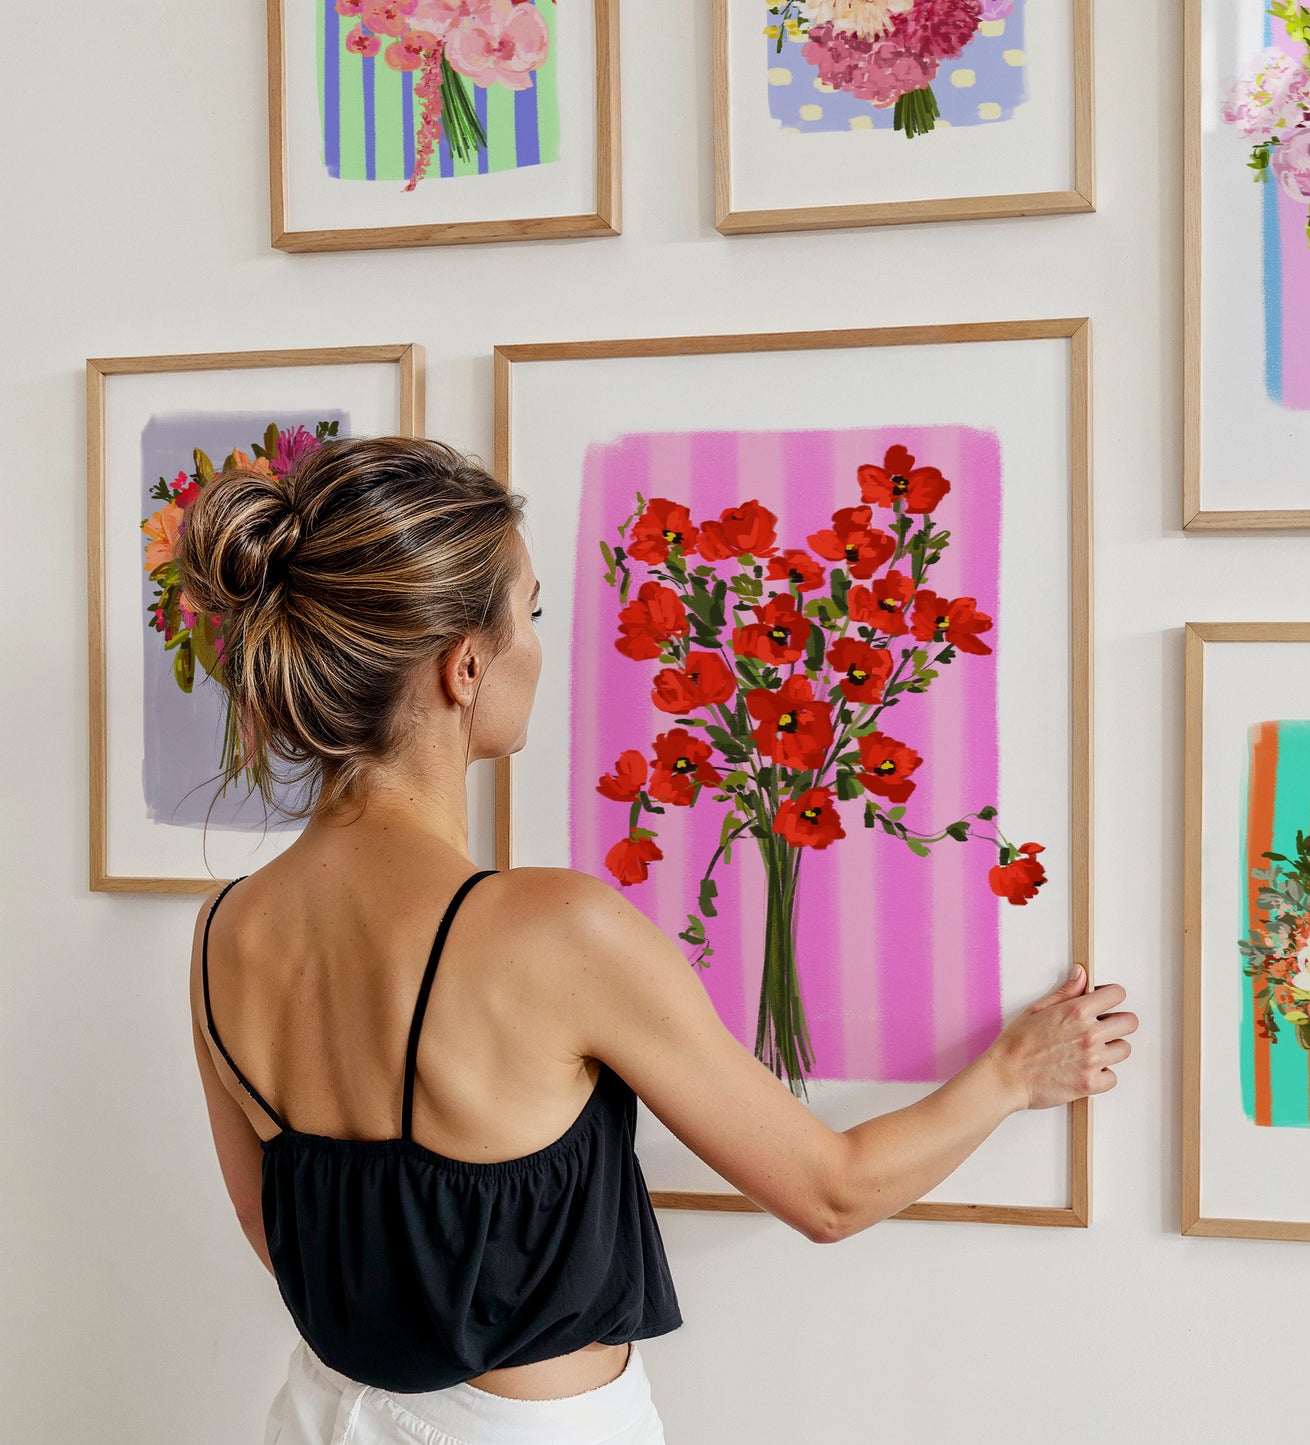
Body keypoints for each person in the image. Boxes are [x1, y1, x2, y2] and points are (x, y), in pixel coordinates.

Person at [178, 435, 1137, 1445]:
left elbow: (273, 1231)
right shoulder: (554, 930)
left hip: (318, 1411)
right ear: (464, 666)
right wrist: (1013, 1074)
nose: (541, 645)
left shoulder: (222, 929)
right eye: (532, 612)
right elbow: (831, 1190)